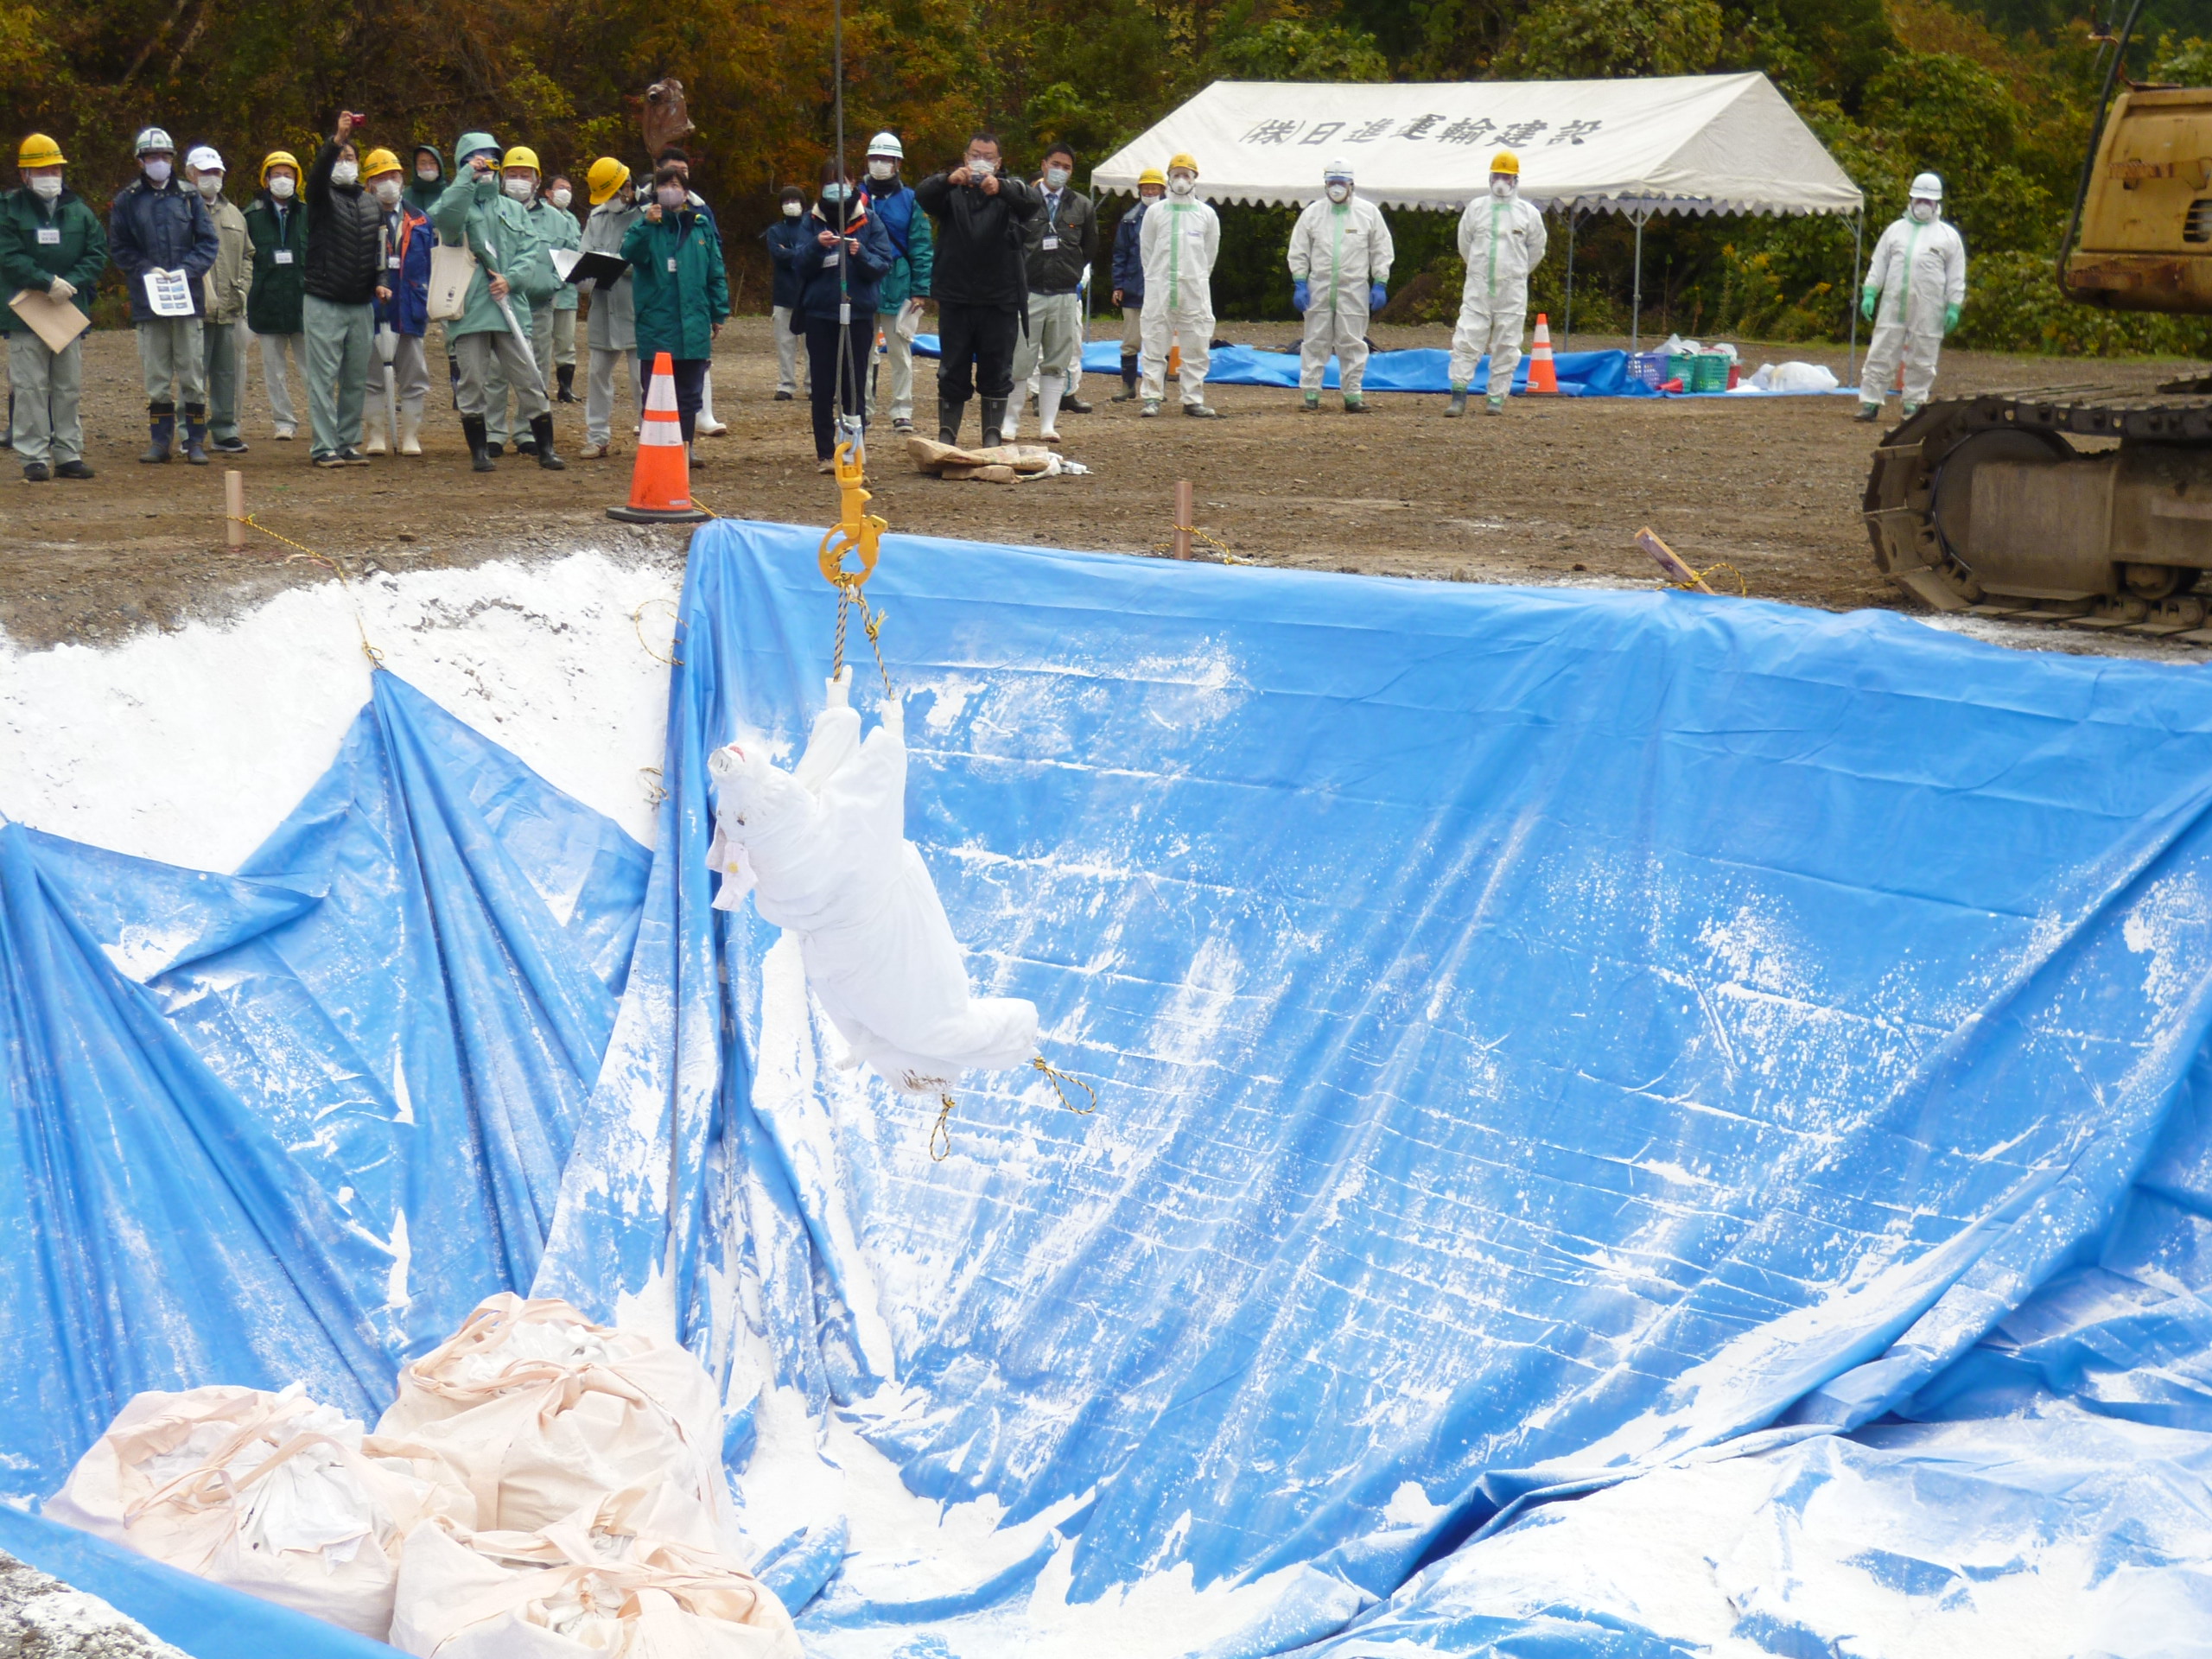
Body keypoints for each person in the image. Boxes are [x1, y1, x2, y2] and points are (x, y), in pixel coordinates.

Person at [435, 130, 563, 471]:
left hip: (511, 308)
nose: (485, 165)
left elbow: (529, 249)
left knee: (529, 378)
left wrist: (512, 279)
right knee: (473, 380)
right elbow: (444, 218)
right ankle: (479, 451)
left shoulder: (512, 208)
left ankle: (545, 447)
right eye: (476, 158)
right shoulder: (455, 205)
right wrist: (466, 177)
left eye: (491, 158)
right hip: (470, 309)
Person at [913, 131, 1039, 448]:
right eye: (975, 154)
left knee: (997, 367)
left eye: (988, 156)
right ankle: (948, 432)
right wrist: (946, 180)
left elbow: (1033, 202)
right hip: (955, 294)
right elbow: (922, 195)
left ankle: (992, 434)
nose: (980, 161)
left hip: (1000, 296)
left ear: (998, 162)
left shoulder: (1011, 192)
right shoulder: (950, 190)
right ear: (965, 156)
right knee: (952, 367)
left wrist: (1003, 188)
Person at [109, 126, 219, 463]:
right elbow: (119, 246)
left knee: (192, 371)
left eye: (165, 156)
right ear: (140, 161)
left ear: (173, 159)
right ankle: (160, 442)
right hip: (148, 301)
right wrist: (145, 269)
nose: (159, 162)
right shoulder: (127, 200)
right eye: (152, 157)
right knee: (156, 374)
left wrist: (186, 270)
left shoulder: (189, 195)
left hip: (187, 297)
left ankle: (196, 441)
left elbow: (207, 242)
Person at [2, 133, 105, 480]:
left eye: (55, 168)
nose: (50, 175)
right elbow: (8, 255)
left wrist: (70, 283)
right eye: (41, 169)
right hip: (26, 310)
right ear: (25, 175)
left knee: (67, 385)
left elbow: (97, 251)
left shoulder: (79, 211)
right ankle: (33, 456)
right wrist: (46, 281)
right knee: (29, 386)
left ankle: (67, 452)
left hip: (66, 310)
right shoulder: (8, 209)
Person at [622, 161, 729, 459]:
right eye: (664, 186)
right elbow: (628, 253)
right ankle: (656, 448)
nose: (670, 191)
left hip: (694, 319)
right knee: (656, 389)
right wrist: (646, 224)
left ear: (686, 194)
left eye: (676, 186)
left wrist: (718, 311)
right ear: (655, 192)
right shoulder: (646, 226)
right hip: (657, 320)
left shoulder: (700, 225)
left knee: (690, 391)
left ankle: (685, 446)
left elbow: (715, 270)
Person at [795, 160, 892, 473]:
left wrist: (858, 253)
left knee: (854, 384)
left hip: (859, 314)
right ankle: (825, 453)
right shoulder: (811, 221)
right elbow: (797, 264)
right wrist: (815, 247)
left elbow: (882, 265)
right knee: (822, 386)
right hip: (821, 314)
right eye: (831, 181)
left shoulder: (870, 221)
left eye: (844, 179)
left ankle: (852, 449)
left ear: (853, 182)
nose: (839, 185)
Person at [301, 111, 383, 466]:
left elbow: (381, 252)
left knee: (354, 377)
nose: (345, 163)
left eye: (351, 158)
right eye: (341, 158)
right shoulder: (321, 197)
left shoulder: (370, 203)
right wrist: (336, 141)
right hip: (324, 299)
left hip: (360, 303)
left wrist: (381, 283)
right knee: (323, 378)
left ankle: (348, 442)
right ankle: (323, 447)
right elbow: (317, 177)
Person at [1003, 143, 1095, 444]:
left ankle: (1048, 425)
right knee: (1019, 361)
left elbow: (1090, 246)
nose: (1060, 171)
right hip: (1028, 291)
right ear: (1043, 165)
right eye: (1056, 164)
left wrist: (1072, 272)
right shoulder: (1024, 201)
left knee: (1057, 361)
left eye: (1067, 167)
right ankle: (1010, 424)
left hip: (1065, 293)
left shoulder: (1081, 205)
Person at [1858, 172, 1967, 423]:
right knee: (1881, 352)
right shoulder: (1895, 231)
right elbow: (1879, 263)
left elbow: (1956, 274)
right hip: (1893, 303)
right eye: (1919, 199)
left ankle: (1913, 403)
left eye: (1929, 201)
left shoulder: (1948, 236)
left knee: (1923, 355)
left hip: (1929, 308)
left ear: (1937, 204)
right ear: (1911, 199)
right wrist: (1870, 292)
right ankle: (1870, 402)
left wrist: (1953, 305)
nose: (1923, 205)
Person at [1289, 156, 1394, 416]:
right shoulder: (1312, 214)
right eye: (1331, 182)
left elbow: (1381, 249)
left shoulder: (1368, 213)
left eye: (1341, 182)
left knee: (1352, 341)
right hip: (1319, 287)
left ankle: (1353, 394)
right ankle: (1311, 393)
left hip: (1354, 288)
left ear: (1351, 184)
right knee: (1315, 340)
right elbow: (1299, 250)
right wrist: (1300, 282)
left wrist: (1380, 282)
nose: (1336, 187)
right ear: (1325, 184)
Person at [1448, 149, 1546, 417]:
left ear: (1515, 180)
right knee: (1467, 338)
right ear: (1490, 177)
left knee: (1507, 343)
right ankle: (1458, 394)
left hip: (1512, 291)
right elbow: (1464, 244)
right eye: (1497, 176)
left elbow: (1537, 249)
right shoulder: (1476, 209)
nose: (1501, 181)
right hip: (1478, 288)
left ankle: (1496, 397)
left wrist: (1515, 274)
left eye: (1507, 176)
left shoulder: (1528, 213)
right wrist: (1479, 271)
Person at [484, 145, 562, 455]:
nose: (518, 180)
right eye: (512, 175)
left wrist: (551, 284)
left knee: (535, 370)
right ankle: (493, 432)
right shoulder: (490, 212)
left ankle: (528, 431)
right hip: (498, 305)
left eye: (524, 175)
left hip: (539, 306)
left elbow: (569, 258)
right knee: (495, 371)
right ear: (502, 179)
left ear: (536, 180)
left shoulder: (556, 219)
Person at [859, 131, 933, 433]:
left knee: (900, 352)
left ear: (897, 163)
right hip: (863, 283)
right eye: (875, 158)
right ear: (867, 160)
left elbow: (921, 245)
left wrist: (920, 289)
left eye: (886, 159)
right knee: (861, 351)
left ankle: (902, 410)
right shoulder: (855, 196)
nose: (880, 164)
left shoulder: (911, 200)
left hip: (899, 284)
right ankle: (860, 409)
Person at [1137, 151, 1220, 419]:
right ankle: (1151, 397)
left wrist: (1195, 277)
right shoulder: (1155, 212)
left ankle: (1193, 398)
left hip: (1194, 289)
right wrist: (1156, 277)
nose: (1181, 179)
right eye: (1176, 175)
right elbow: (1147, 251)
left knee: (1196, 343)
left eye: (1186, 174)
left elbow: (1210, 254)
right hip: (1159, 288)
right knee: (1153, 342)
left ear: (1195, 178)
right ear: (1169, 178)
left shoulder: (1206, 215)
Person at [359, 149, 430, 455]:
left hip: (410, 305)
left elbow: (430, 263)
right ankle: (376, 435)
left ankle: (411, 435)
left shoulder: (421, 220)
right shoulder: (359, 216)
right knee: (371, 374)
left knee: (414, 375)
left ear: (402, 180)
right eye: (380, 178)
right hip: (371, 305)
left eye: (394, 176)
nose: (388, 183)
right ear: (369, 183)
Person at [654, 145, 729, 436]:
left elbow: (715, 253)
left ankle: (701, 418)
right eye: (671, 174)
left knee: (697, 364)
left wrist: (717, 307)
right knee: (660, 370)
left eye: (683, 174)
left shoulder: (700, 209)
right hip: (661, 307)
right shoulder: (648, 213)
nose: (678, 179)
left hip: (694, 301)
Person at [185, 145, 251, 454]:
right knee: (191, 370)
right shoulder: (180, 209)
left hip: (228, 307)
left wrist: (242, 287)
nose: (211, 177)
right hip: (192, 308)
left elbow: (249, 255)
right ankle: (189, 432)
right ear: (190, 173)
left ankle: (225, 430)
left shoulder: (234, 213)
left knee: (227, 372)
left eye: (216, 172)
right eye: (204, 172)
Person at [580, 156, 642, 459]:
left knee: (641, 377)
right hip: (603, 306)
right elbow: (583, 255)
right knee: (597, 374)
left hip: (636, 307)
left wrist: (619, 265)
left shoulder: (647, 215)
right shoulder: (598, 216)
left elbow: (650, 261)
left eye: (615, 194)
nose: (612, 201)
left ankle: (650, 433)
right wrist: (581, 273)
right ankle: (597, 436)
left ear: (627, 187)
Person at [244, 150, 308, 440]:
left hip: (304, 303)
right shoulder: (251, 216)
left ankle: (321, 418)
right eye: (277, 174)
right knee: (274, 371)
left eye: (288, 174)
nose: (283, 180)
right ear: (266, 179)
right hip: (266, 303)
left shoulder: (309, 214)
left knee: (313, 370)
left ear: (297, 179)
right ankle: (284, 421)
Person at [1108, 168, 1162, 401]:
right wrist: (1118, 285)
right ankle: (1128, 386)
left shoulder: (1171, 216)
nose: (1149, 191)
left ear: (1162, 189)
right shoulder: (1129, 219)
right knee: (1131, 341)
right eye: (1146, 187)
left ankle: (1157, 389)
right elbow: (1120, 254)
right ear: (1139, 189)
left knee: (1160, 341)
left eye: (1154, 187)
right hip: (1133, 288)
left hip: (1160, 289)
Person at [764, 183, 809, 400]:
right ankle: (786, 385)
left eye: (795, 201)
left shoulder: (811, 226)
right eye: (786, 202)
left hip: (810, 294)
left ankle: (814, 385)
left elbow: (816, 254)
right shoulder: (775, 230)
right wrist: (800, 253)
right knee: (785, 343)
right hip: (784, 295)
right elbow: (777, 255)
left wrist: (790, 252)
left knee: (814, 346)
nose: (791, 205)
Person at [544, 173, 582, 403]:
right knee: (540, 341)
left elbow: (578, 247)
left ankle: (565, 388)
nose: (565, 192)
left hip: (567, 288)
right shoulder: (536, 215)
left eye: (569, 188)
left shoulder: (573, 219)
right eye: (560, 187)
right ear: (548, 192)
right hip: (542, 287)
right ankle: (537, 386)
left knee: (566, 340)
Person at [402, 143, 446, 215]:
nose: (428, 167)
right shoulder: (405, 196)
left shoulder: (450, 194)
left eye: (432, 163)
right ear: (416, 167)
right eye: (423, 163)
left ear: (439, 166)